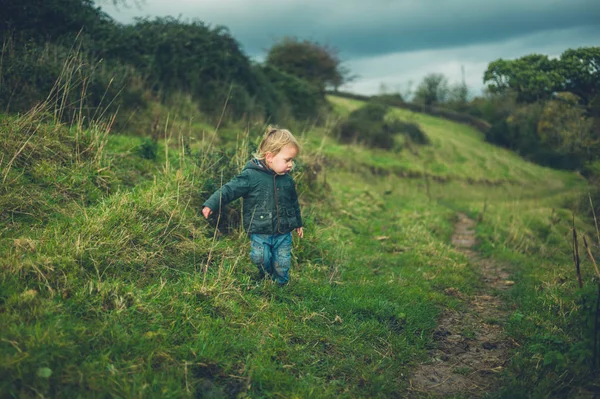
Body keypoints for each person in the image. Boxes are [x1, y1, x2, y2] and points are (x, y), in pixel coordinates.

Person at [202, 127, 304, 285]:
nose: (291, 164)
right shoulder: (251, 176)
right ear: (270, 157)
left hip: (283, 232)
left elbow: (293, 202)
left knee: (282, 262)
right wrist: (211, 203)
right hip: (259, 230)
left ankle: (281, 285)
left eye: (292, 160)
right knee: (260, 257)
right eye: (287, 160)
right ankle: (266, 276)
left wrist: (297, 223)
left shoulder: (287, 180)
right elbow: (229, 190)